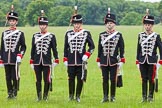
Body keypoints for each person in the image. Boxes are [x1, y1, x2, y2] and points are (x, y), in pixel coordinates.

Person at [63, 6, 95, 102]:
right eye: (75, 23)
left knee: (80, 79)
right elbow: (65, 48)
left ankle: (78, 96)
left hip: (81, 60)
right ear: (73, 24)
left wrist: (87, 55)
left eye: (78, 23)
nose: (77, 25)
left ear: (81, 24)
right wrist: (65, 59)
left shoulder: (86, 33)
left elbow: (92, 46)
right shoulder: (68, 34)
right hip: (71, 60)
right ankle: (71, 95)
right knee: (71, 79)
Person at [96, 8, 125, 103]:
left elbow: (122, 48)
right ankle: (105, 97)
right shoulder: (101, 35)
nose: (109, 24)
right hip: (104, 60)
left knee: (113, 79)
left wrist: (121, 60)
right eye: (108, 23)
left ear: (114, 24)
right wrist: (98, 60)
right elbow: (99, 48)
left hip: (114, 61)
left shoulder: (118, 35)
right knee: (104, 79)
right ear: (105, 24)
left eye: (111, 23)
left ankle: (112, 97)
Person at [30, 10, 59, 101]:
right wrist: (31, 60)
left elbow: (54, 48)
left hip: (47, 61)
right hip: (37, 61)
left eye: (43, 25)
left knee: (46, 79)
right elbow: (33, 49)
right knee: (38, 80)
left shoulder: (51, 36)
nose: (42, 26)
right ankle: (39, 97)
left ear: (46, 25)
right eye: (40, 25)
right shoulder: (35, 36)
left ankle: (45, 97)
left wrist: (56, 59)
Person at [0, 5, 26, 99]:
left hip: (15, 59)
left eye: (13, 21)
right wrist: (1, 59)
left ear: (16, 22)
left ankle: (15, 93)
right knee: (7, 77)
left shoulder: (20, 33)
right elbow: (2, 47)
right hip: (6, 58)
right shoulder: (4, 33)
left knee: (14, 76)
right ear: (8, 21)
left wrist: (20, 55)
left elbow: (23, 46)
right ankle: (9, 93)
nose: (11, 22)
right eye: (10, 21)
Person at [136, 9, 162, 103]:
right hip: (142, 60)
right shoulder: (140, 35)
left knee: (151, 79)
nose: (147, 27)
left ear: (152, 25)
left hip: (152, 60)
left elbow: (161, 49)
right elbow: (138, 49)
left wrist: (160, 61)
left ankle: (150, 97)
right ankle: (144, 97)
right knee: (143, 79)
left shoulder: (156, 36)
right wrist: (137, 61)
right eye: (146, 25)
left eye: (149, 25)